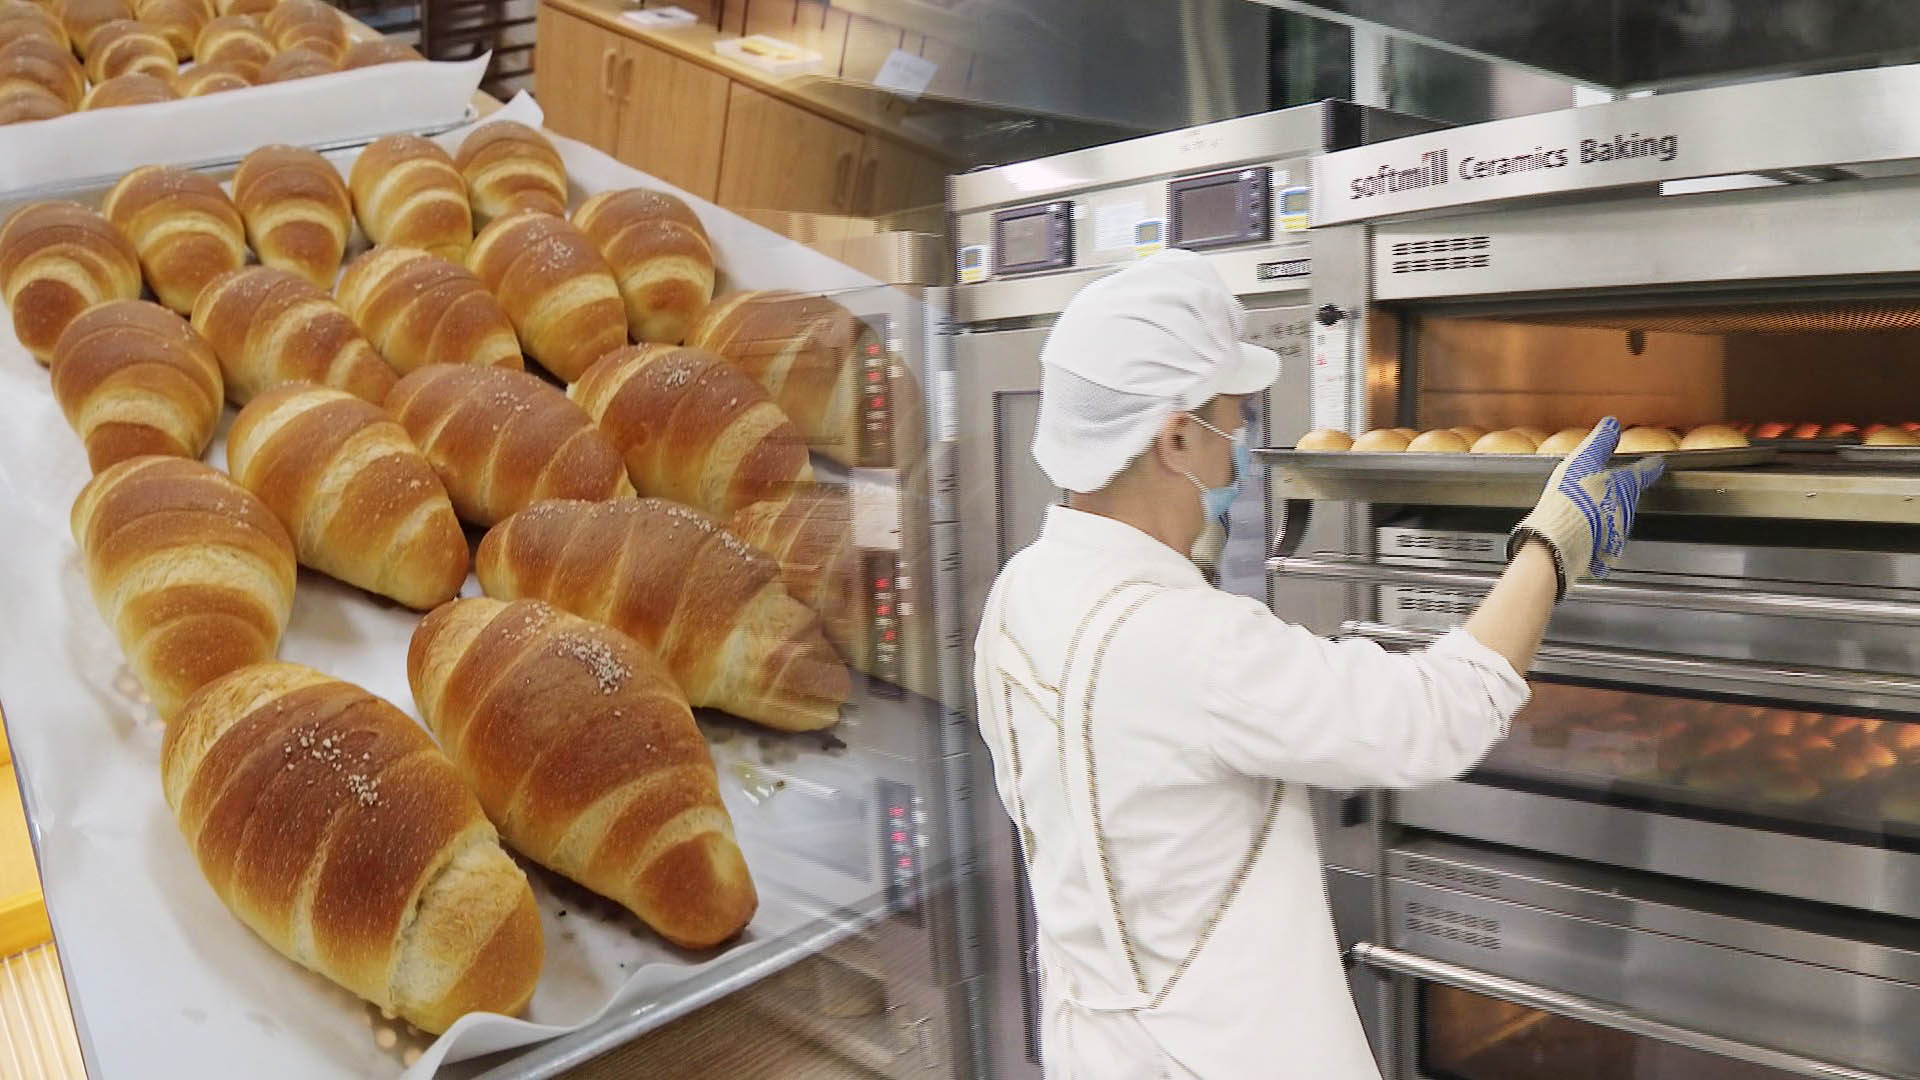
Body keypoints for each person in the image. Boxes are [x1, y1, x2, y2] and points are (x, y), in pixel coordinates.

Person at [971, 250, 1664, 1079]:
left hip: (1096, 1048)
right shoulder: (1189, 642)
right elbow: (1431, 717)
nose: (1239, 453)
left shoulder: (1023, 591)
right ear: (1176, 438)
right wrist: (1550, 546)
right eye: (1233, 421)